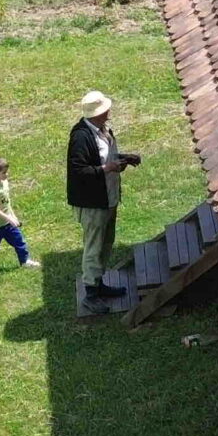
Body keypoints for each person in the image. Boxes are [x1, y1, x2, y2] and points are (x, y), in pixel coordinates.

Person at [65, 90, 140, 306]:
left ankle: (98, 284)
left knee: (106, 244)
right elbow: (79, 171)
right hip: (93, 204)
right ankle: (90, 294)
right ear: (97, 113)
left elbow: (103, 157)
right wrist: (108, 168)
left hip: (108, 198)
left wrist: (123, 158)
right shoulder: (80, 137)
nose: (109, 112)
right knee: (94, 247)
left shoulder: (102, 130)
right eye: (105, 109)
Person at [0, 156, 39, 276]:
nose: (7, 175)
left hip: (9, 224)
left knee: (20, 241)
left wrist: (13, 217)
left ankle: (25, 261)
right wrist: (9, 218)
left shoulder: (4, 184)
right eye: (3, 173)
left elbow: (7, 204)